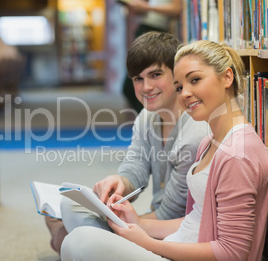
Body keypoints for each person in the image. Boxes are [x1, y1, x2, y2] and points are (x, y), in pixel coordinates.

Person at [60, 40, 268, 261]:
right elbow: (196, 219)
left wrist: (147, 243)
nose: (185, 93)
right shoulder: (210, 141)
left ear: (227, 77)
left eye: (195, 80)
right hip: (176, 242)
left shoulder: (237, 153)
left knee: (79, 241)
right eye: (180, 86)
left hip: (177, 251)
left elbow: (232, 253)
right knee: (74, 212)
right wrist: (138, 223)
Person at [45, 32, 209, 254]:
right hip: (151, 226)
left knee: (78, 238)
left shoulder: (193, 135)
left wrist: (118, 225)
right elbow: (136, 169)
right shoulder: (146, 117)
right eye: (138, 79)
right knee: (70, 205)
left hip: (171, 238)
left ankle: (67, 237)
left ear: (176, 75)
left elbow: (169, 214)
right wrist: (120, 181)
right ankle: (69, 236)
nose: (146, 87)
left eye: (155, 75)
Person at [122, 0, 182, 114]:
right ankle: (151, 116)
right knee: (132, 85)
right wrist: (141, 9)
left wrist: (145, 7)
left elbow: (176, 9)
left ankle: (153, 114)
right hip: (146, 26)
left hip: (154, 29)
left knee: (130, 86)